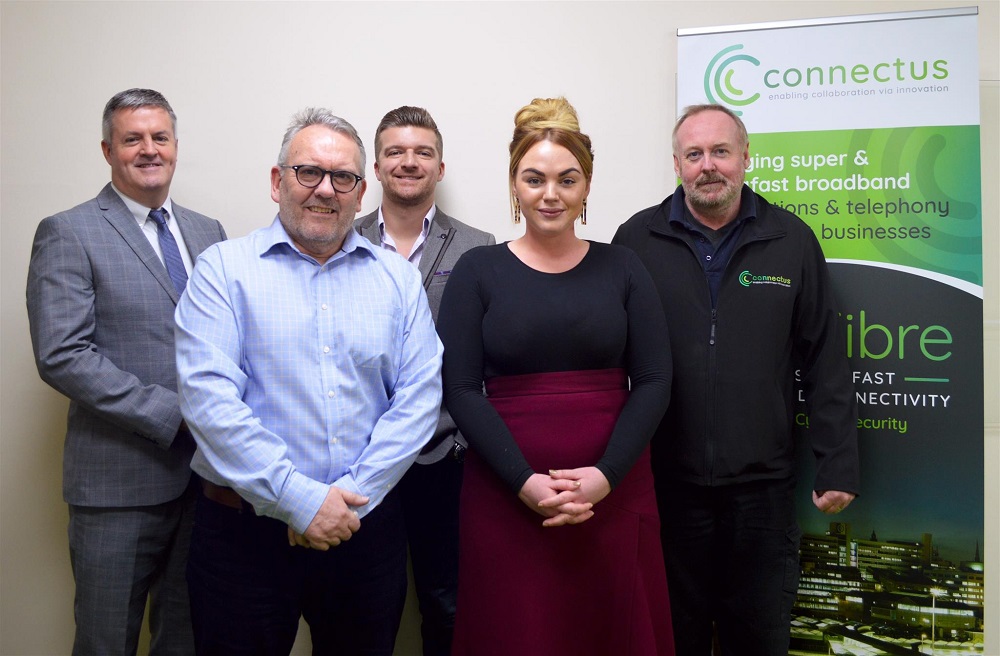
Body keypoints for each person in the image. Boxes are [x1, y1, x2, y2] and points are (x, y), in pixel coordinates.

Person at [174, 107, 442, 655]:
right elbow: (209, 403)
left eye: (342, 177)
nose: (325, 190)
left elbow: (419, 398)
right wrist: (299, 500)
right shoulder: (222, 271)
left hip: (363, 534)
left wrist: (344, 508)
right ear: (277, 182)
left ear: (361, 191)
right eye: (308, 173)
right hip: (241, 538)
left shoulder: (397, 280)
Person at [612, 104, 860, 656]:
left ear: (746, 157)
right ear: (675, 164)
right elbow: (612, 358)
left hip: (763, 492)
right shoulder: (636, 240)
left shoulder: (790, 240)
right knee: (674, 638)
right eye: (694, 154)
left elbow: (824, 359)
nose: (708, 166)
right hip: (666, 486)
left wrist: (837, 462)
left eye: (720, 151)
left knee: (759, 639)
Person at [438, 97, 675, 655]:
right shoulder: (479, 271)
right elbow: (461, 389)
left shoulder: (623, 266)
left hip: (613, 497)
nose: (551, 194)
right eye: (535, 178)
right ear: (514, 184)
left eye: (567, 180)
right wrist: (524, 481)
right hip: (505, 496)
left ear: (587, 186)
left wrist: (605, 476)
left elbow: (655, 379)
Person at [26, 88, 227, 655]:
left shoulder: (206, 231)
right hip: (116, 485)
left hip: (206, 480)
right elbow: (62, 353)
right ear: (108, 150)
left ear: (175, 147)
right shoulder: (69, 231)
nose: (148, 149)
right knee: (105, 640)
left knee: (187, 639)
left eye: (159, 137)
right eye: (132, 139)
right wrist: (176, 415)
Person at [353, 106, 494, 656]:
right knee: (365, 606)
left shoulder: (478, 247)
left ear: (440, 167)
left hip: (446, 457)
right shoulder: (342, 238)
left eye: (422, 152)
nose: (409, 162)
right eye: (395, 151)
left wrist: (464, 437)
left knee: (447, 601)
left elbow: (493, 352)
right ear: (377, 166)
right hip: (362, 460)